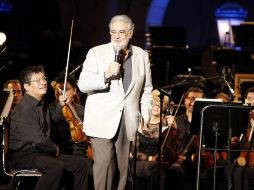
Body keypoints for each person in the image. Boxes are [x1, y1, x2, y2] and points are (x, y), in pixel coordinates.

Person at [78, 15, 153, 190]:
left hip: (128, 120)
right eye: (113, 32)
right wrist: (105, 75)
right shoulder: (96, 52)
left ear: (131, 33)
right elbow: (82, 84)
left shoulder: (141, 55)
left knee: (122, 170)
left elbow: (147, 89)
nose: (117, 36)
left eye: (121, 32)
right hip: (101, 119)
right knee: (104, 165)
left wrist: (145, 115)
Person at [9, 65, 88, 190]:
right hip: (24, 155)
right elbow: (38, 139)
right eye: (38, 80)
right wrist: (53, 148)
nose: (44, 82)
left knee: (81, 164)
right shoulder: (24, 109)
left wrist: (61, 105)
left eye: (44, 78)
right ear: (26, 87)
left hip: (41, 153)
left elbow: (54, 121)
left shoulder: (42, 104)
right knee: (55, 166)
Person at [49, 74, 93, 189]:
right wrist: (61, 105)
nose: (60, 93)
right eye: (58, 90)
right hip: (65, 152)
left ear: (74, 90)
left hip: (84, 151)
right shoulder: (50, 109)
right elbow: (55, 120)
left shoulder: (82, 110)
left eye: (65, 89)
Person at [131, 89, 176, 190]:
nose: (156, 107)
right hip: (138, 162)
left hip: (158, 163)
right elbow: (133, 151)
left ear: (164, 107)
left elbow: (170, 150)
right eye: (154, 103)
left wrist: (172, 128)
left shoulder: (165, 125)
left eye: (160, 105)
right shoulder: (140, 121)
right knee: (157, 170)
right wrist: (150, 158)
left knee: (169, 169)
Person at [165, 86, 205, 190]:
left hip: (195, 163)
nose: (193, 102)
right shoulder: (176, 121)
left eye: (197, 100)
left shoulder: (204, 123)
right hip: (176, 162)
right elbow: (169, 145)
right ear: (185, 99)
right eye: (191, 98)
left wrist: (189, 158)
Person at [232, 87, 254, 190]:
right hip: (243, 161)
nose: (252, 102)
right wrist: (233, 142)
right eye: (249, 98)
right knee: (238, 171)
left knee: (241, 172)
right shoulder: (241, 119)